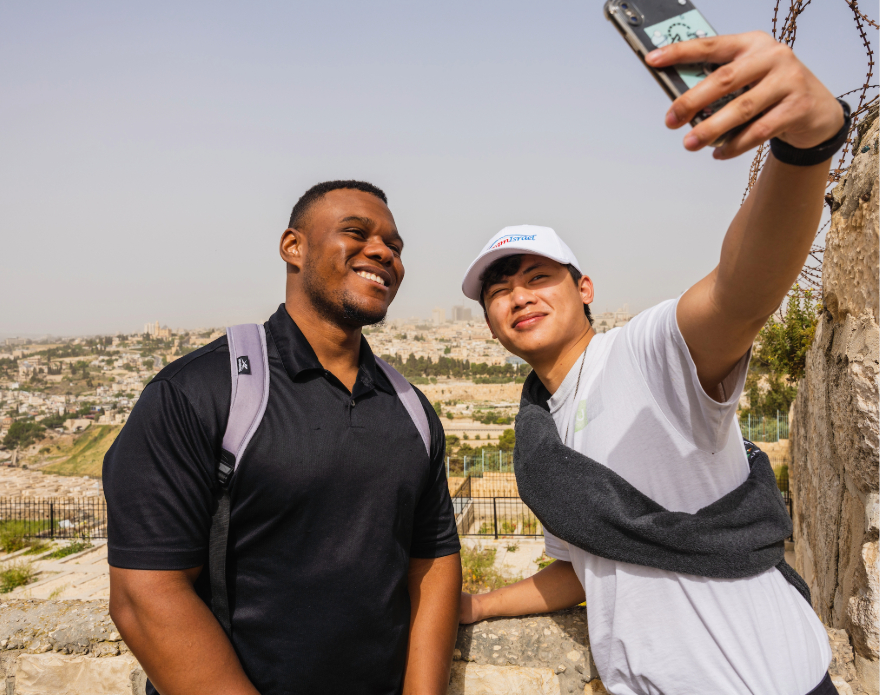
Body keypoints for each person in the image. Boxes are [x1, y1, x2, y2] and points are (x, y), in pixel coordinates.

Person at [458, 32, 848, 695]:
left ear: (583, 289)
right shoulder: (539, 434)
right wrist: (474, 605)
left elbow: (738, 293)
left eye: (535, 276)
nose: (516, 294)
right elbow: (587, 566)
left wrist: (804, 146)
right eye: (497, 288)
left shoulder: (638, 355)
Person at [103, 180, 462, 695]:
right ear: (293, 246)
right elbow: (145, 595)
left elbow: (432, 562)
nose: (383, 251)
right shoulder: (202, 391)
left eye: (395, 246)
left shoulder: (411, 409)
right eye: (356, 232)